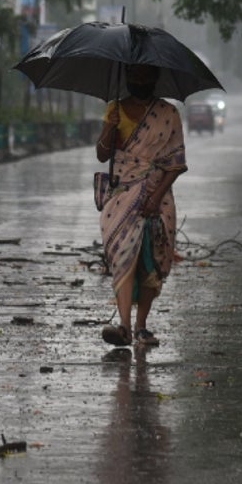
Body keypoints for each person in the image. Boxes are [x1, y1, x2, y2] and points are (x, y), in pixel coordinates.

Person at [95, 64, 187, 347]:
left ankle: (141, 326)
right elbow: (101, 154)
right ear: (127, 78)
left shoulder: (169, 114)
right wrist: (109, 129)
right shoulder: (115, 109)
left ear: (155, 78)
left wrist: (155, 198)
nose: (140, 80)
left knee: (153, 262)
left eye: (146, 76)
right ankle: (123, 326)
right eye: (134, 75)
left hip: (158, 198)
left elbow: (176, 164)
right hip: (121, 196)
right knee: (123, 257)